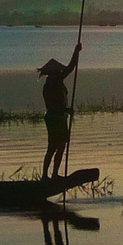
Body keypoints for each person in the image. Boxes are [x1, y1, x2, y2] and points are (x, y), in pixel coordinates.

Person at [38, 41, 82, 177]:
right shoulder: (52, 84)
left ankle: (53, 174)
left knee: (60, 146)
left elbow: (69, 68)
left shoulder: (54, 81)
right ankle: (46, 175)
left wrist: (76, 52)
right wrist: (66, 110)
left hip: (57, 117)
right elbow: (54, 106)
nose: (60, 72)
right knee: (53, 147)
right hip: (54, 118)